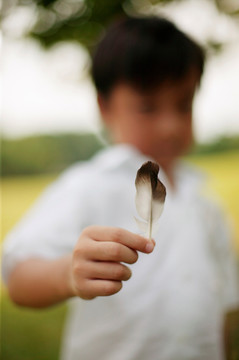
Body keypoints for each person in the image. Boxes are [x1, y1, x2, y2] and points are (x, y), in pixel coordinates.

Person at [2, 16, 239, 360]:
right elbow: (19, 277)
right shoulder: (87, 186)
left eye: (184, 105)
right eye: (148, 106)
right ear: (104, 106)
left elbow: (224, 308)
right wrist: (68, 274)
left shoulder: (204, 200)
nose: (171, 125)